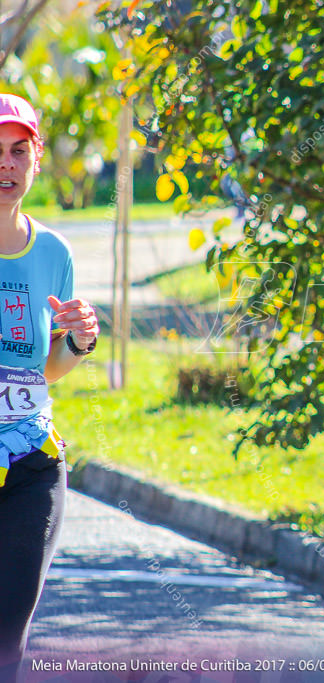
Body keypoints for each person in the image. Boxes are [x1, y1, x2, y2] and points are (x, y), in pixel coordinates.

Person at [0, 93, 100, 682]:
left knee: (9, 637)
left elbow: (44, 367)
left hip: (32, 457)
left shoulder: (54, 251)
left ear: (36, 160)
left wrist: (80, 341)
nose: (6, 165)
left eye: (18, 151)